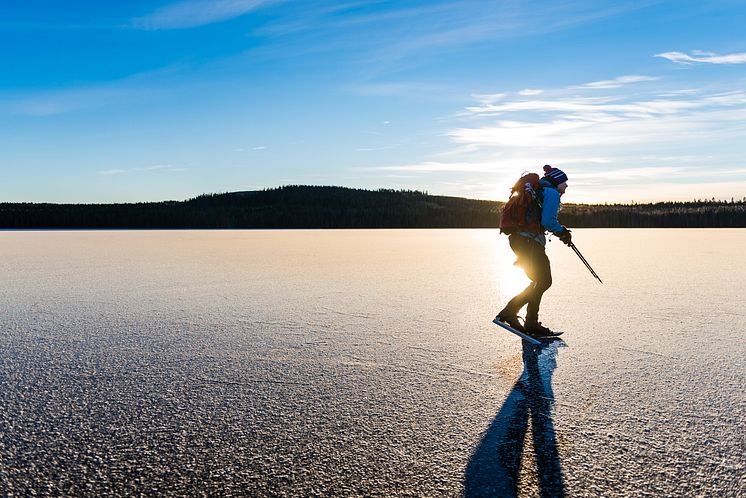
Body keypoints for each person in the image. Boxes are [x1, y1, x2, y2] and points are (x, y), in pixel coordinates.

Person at [495, 165, 572, 337]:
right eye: (564, 182)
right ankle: (510, 313)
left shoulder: (539, 191)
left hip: (518, 241)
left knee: (539, 280)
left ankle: (530, 323)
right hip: (529, 242)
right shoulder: (551, 193)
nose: (566, 186)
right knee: (544, 281)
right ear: (557, 182)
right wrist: (563, 233)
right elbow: (548, 221)